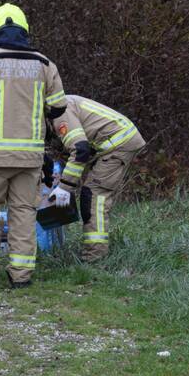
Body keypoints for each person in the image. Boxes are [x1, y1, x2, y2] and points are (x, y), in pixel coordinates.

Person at [0, 3, 67, 288]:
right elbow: (58, 109)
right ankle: (21, 275)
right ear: (25, 30)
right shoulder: (45, 64)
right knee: (24, 214)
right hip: (29, 157)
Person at [46, 95, 145, 262]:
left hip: (118, 143)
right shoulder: (56, 108)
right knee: (89, 194)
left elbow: (80, 150)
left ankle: (94, 257)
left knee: (94, 197)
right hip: (109, 144)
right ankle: (94, 253)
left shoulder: (59, 113)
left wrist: (64, 188)